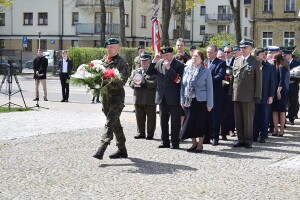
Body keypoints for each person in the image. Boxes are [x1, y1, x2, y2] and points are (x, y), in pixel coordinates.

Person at [93, 38, 130, 160]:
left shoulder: (122, 63)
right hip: (105, 98)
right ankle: (122, 150)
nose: (110, 49)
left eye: (113, 47)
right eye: (108, 47)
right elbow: (96, 77)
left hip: (117, 99)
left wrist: (106, 84)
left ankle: (101, 148)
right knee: (115, 124)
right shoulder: (102, 62)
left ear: (118, 48)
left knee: (109, 122)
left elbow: (121, 82)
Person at [147, 47, 185, 149]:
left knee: (175, 121)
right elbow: (149, 73)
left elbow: (178, 80)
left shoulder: (179, 65)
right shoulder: (159, 63)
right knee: (163, 120)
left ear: (172, 54)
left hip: (174, 97)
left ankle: (175, 142)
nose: (165, 57)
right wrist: (154, 61)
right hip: (162, 96)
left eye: (167, 55)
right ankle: (164, 141)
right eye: (163, 56)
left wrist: (169, 68)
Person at [230, 38, 262, 149]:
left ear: (250, 48)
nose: (242, 49)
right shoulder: (237, 60)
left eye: (245, 47)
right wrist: (231, 92)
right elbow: (233, 79)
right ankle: (241, 139)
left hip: (249, 95)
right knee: (238, 119)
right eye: (241, 47)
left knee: (248, 119)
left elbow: (258, 80)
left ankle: (248, 140)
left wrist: (257, 95)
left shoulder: (255, 61)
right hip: (237, 94)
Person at [180, 50, 213, 153]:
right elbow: (182, 85)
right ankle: (193, 143)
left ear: (201, 59)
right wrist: (181, 99)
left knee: (200, 123)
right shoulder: (186, 69)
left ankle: (200, 144)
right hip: (188, 100)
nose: (194, 57)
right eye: (193, 56)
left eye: (197, 56)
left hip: (200, 100)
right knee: (189, 123)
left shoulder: (205, 70)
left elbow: (210, 88)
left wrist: (210, 103)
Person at [129, 53, 157, 140]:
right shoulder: (135, 71)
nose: (143, 63)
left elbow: (156, 82)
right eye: (142, 61)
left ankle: (150, 134)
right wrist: (134, 84)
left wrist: (145, 83)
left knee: (151, 118)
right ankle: (140, 133)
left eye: (145, 61)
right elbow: (130, 82)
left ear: (149, 61)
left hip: (150, 98)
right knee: (139, 117)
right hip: (138, 97)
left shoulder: (154, 71)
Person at [205, 44, 226, 146]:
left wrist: (208, 80)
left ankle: (215, 137)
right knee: (207, 117)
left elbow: (220, 76)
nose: (208, 54)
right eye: (207, 52)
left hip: (216, 94)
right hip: (205, 94)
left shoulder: (221, 63)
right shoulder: (204, 62)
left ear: (215, 53)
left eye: (210, 52)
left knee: (215, 116)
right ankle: (207, 136)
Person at [253, 48, 275, 143]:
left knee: (264, 117)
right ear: (256, 56)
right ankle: (254, 135)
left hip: (265, 95)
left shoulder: (269, 67)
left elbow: (272, 82)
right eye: (262, 54)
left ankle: (263, 135)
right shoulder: (253, 66)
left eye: (264, 54)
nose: (264, 55)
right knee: (254, 117)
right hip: (254, 96)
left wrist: (271, 96)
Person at [221, 45, 236, 138]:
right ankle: (224, 129)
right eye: (225, 52)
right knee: (223, 110)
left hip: (233, 89)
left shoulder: (236, 62)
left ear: (232, 52)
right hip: (222, 89)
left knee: (231, 110)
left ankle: (231, 129)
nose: (226, 54)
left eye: (228, 52)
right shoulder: (221, 62)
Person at [272, 53, 288, 137]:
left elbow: (281, 80)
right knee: (274, 110)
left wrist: (278, 91)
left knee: (281, 111)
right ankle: (275, 129)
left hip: (280, 90)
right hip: (275, 90)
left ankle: (281, 129)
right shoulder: (276, 67)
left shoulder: (281, 66)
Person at [284, 48, 300, 125]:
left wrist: (294, 77)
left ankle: (291, 117)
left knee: (293, 102)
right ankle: (283, 118)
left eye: (285, 55)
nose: (284, 56)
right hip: (285, 85)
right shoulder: (283, 62)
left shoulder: (297, 63)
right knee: (284, 101)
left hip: (294, 85)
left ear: (290, 55)